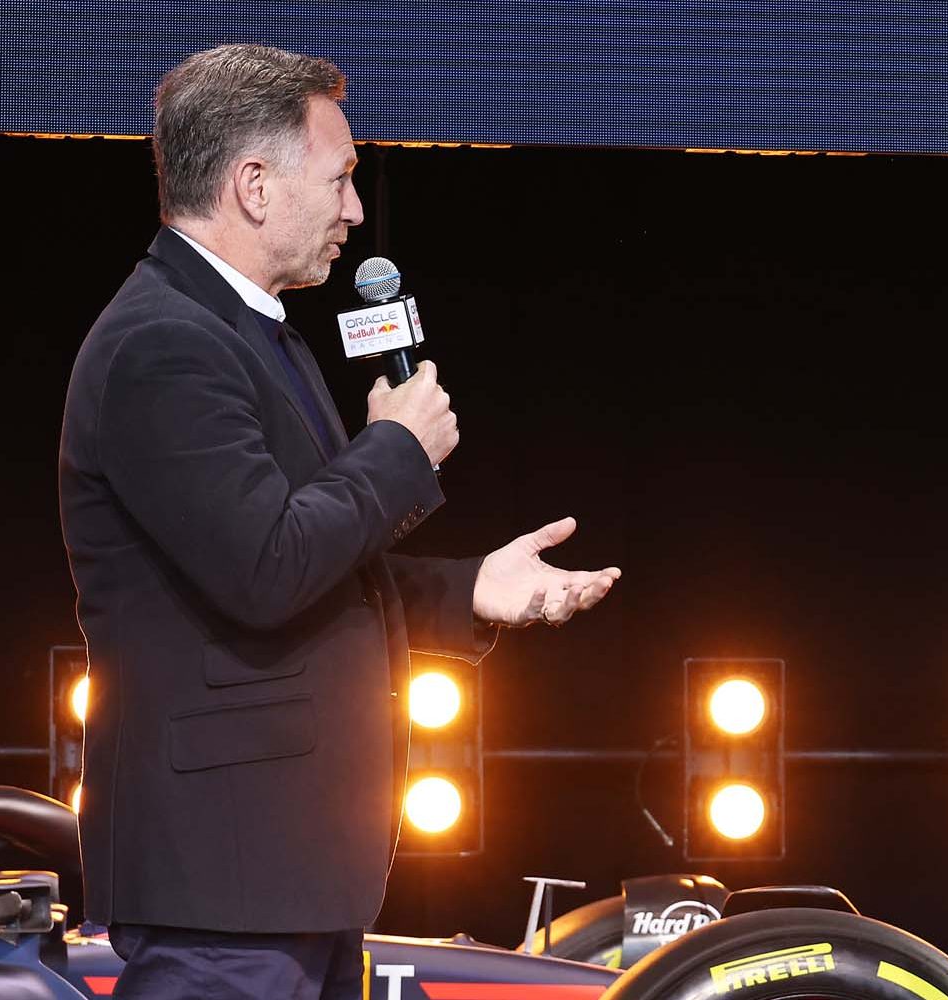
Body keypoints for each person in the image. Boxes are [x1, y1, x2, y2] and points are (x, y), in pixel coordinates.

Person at [58, 44, 621, 999]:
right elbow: (266, 567)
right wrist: (395, 449)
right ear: (254, 185)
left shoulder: (250, 332)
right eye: (343, 177)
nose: (357, 212)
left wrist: (469, 588)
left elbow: (303, 553)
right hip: (225, 883)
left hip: (285, 875)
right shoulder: (163, 346)